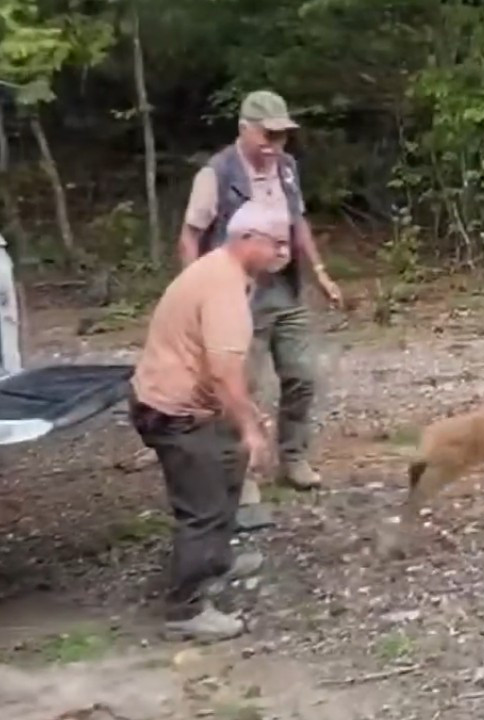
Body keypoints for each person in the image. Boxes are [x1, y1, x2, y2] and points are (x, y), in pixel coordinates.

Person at [177, 89, 343, 528]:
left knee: (303, 375)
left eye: (283, 135)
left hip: (284, 290)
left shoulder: (287, 169)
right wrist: (197, 293)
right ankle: (243, 476)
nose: (275, 144)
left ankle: (293, 457)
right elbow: (190, 235)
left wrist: (320, 273)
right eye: (267, 134)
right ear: (245, 129)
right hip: (238, 294)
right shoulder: (216, 174)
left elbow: (298, 222)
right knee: (238, 388)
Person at [129, 201, 292, 641]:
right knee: (202, 507)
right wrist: (251, 429)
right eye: (275, 242)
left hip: (196, 404)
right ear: (245, 239)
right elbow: (223, 369)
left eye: (286, 241)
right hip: (173, 411)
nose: (284, 250)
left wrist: (242, 419)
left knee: (226, 472)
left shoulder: (227, 274)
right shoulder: (221, 286)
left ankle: (216, 559)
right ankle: (185, 609)